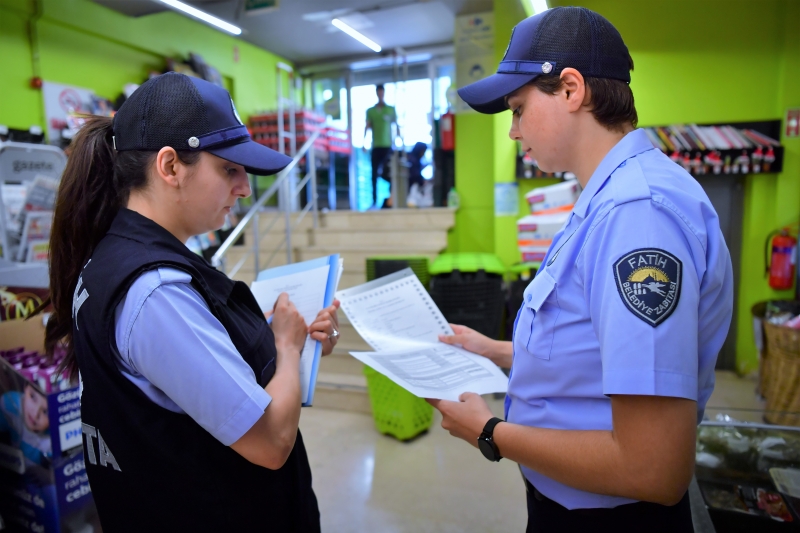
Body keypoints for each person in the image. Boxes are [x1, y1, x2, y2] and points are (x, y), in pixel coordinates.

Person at [428, 7, 733, 533]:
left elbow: (652, 467)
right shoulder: (606, 198)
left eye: (519, 109)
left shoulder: (638, 215)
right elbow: (594, 345)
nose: (513, 131)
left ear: (571, 90)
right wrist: (496, 350)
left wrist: (490, 430)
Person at [43, 72, 340, 532]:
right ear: (170, 167)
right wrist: (284, 347)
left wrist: (278, 338)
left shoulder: (117, 255)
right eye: (229, 169)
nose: (244, 188)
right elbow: (271, 441)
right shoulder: (157, 291)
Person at [364, 84, 399, 208]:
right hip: (376, 146)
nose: (380, 94)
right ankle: (374, 201)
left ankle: (391, 199)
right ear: (376, 93)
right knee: (373, 174)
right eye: (378, 92)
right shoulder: (371, 111)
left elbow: (396, 126)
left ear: (384, 93)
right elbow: (367, 127)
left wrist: (399, 142)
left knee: (389, 173)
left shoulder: (390, 109)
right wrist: (364, 143)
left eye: (382, 92)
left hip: (388, 146)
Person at [0, 382, 51, 466]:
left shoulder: (52, 439)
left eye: (45, 412)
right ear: (26, 387)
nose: (35, 414)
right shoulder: (9, 404)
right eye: (33, 397)